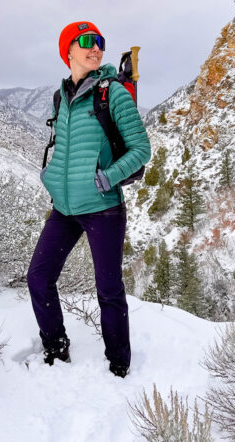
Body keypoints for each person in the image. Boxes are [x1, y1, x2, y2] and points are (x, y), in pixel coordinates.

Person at [26, 21, 151, 378]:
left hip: (103, 208)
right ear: (68, 51)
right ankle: (55, 346)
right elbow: (64, 147)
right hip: (64, 208)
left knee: (109, 289)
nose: (95, 47)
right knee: (38, 277)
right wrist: (49, 176)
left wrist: (108, 177)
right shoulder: (60, 96)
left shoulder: (113, 93)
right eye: (86, 42)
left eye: (99, 41)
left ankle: (119, 362)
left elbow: (142, 148)